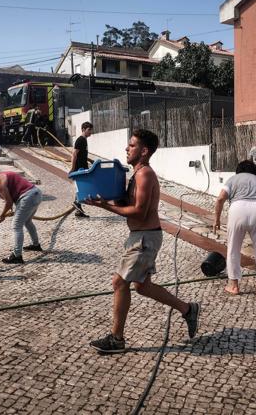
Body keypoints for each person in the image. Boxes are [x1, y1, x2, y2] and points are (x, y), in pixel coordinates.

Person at [85, 129, 200, 353]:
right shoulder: (136, 173)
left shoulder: (145, 174)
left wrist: (104, 206)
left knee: (119, 282)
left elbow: (139, 211)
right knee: (142, 286)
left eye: (132, 145)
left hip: (145, 237)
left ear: (144, 151)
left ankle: (116, 339)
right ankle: (187, 309)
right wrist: (106, 194)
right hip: (141, 236)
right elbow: (128, 202)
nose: (126, 149)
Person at [213, 160, 256, 299]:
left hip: (237, 209)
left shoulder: (233, 179)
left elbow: (220, 198)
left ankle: (234, 286)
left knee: (233, 249)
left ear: (238, 170)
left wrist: (216, 219)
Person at [0, 166, 43, 264]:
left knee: (16, 225)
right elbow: (12, 195)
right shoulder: (2, 176)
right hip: (36, 193)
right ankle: (36, 245)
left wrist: (2, 215)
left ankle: (17, 255)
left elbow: (8, 202)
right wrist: (10, 209)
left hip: (27, 197)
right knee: (27, 221)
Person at [69, 121, 93, 218]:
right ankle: (77, 203)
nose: (90, 132)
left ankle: (78, 211)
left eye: (91, 130)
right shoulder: (80, 140)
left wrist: (90, 160)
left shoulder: (84, 140)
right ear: (83, 129)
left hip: (83, 167)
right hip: (79, 168)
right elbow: (74, 155)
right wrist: (72, 168)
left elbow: (82, 154)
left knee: (82, 187)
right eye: (89, 130)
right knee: (83, 187)